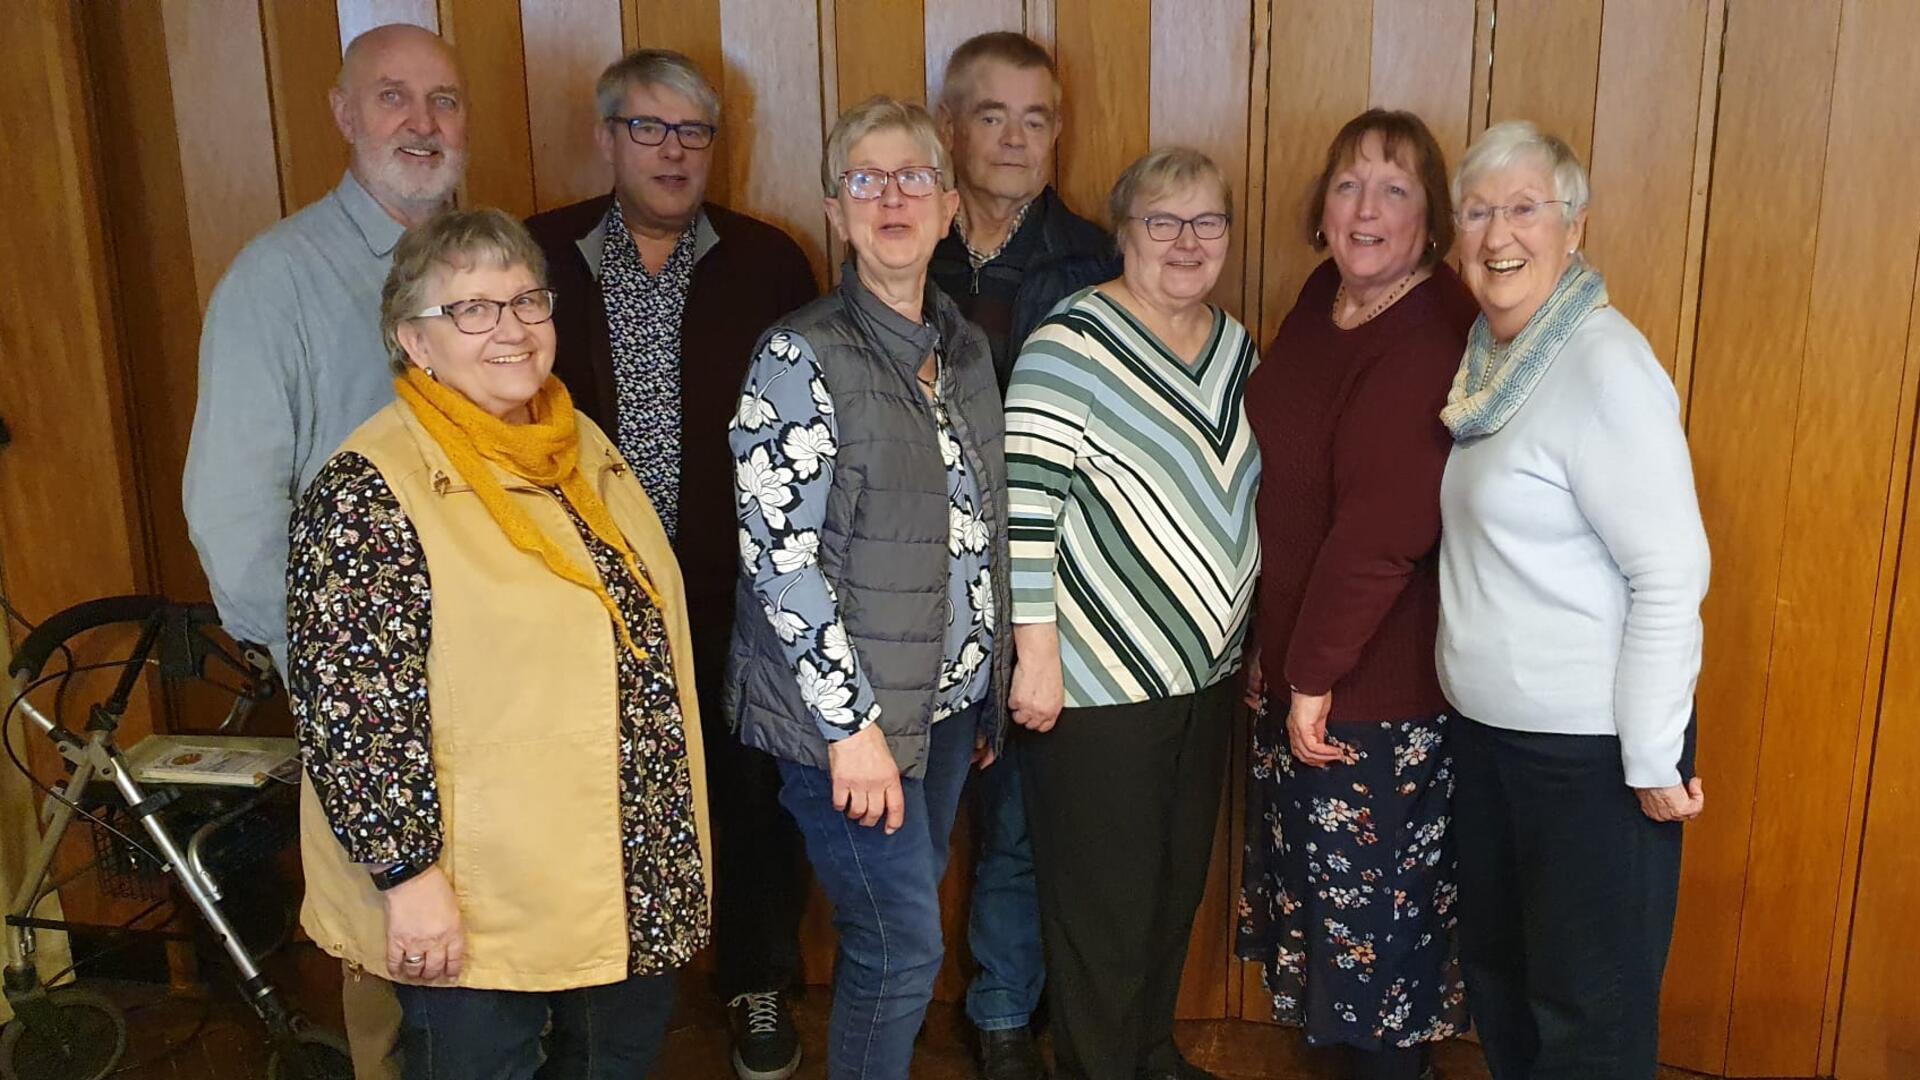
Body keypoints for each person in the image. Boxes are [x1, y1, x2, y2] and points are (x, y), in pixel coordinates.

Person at [286, 208, 711, 1080]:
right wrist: (408, 881)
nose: (511, 330)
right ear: (414, 340)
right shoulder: (369, 488)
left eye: (527, 301)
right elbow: (352, 716)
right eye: (472, 310)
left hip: (621, 873)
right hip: (478, 903)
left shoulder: (577, 443)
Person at [523, 48, 818, 1079]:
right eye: (649, 128)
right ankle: (592, 995)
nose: (673, 151)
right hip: (579, 599)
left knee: (754, 798)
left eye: (694, 132)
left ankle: (757, 982)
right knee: (595, 797)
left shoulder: (771, 261)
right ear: (606, 138)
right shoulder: (538, 256)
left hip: (736, 592)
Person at [180, 24, 468, 1079]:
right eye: (394, 98)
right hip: (372, 694)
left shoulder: (491, 264)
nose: (423, 123)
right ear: (344, 115)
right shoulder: (277, 281)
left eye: (444, 101)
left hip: (498, 688)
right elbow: (231, 517)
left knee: (492, 967)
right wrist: (329, 671)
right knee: (396, 964)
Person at [726, 96, 1010, 1080]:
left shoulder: (965, 351)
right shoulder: (799, 356)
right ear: (838, 214)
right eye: (865, 179)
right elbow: (781, 563)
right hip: (848, 727)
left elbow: (982, 527)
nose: (891, 196)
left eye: (914, 178)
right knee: (902, 951)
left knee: (894, 931)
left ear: (948, 211)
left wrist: (986, 687)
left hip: (940, 714)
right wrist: (852, 733)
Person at [1438, 120, 1710, 1079]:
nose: (1498, 233)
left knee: (1588, 1015)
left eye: (1524, 208)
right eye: (1477, 212)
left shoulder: (1603, 364)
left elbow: (1671, 573)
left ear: (1574, 225)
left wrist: (1648, 756)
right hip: (1493, 741)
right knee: (1507, 986)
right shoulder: (1491, 358)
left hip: (1593, 760)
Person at [1003, 147, 1260, 1080]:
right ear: (1124, 235)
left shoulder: (1236, 347)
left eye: (1208, 223)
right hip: (1096, 683)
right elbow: (1024, 513)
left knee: (1169, 891)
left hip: (1206, 677)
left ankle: (1148, 1051)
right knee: (1101, 909)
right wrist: (1035, 658)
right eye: (1163, 221)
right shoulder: (1069, 343)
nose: (1187, 242)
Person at [1236, 109, 1476, 1080]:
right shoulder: (1322, 295)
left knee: (1377, 963)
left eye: (1395, 188)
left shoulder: (1434, 332)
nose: (1365, 209)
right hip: (1303, 675)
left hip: (1368, 700)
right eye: (1348, 185)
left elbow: (1381, 534)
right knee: (1331, 950)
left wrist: (1312, 674)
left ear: (1433, 217)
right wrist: (1277, 657)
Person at [929, 31, 1115, 1078]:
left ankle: (1001, 1010)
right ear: (951, 127)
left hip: (1045, 584)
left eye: (1036, 118)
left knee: (1019, 820)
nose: (1013, 138)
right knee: (907, 811)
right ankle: (899, 997)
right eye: (991, 116)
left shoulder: (1096, 259)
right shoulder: (904, 245)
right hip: (916, 583)